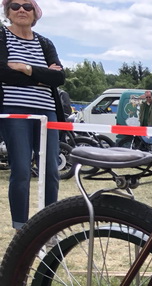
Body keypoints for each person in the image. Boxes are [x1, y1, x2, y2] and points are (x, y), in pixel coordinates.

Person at [0, 0, 65, 230]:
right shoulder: (2, 37)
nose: (21, 10)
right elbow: (3, 73)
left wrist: (26, 68)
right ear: (7, 11)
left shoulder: (45, 43)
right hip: (15, 111)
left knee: (51, 171)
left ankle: (49, 227)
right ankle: (22, 229)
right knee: (21, 170)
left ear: (35, 13)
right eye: (15, 5)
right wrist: (41, 76)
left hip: (47, 111)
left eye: (27, 6)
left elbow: (59, 78)